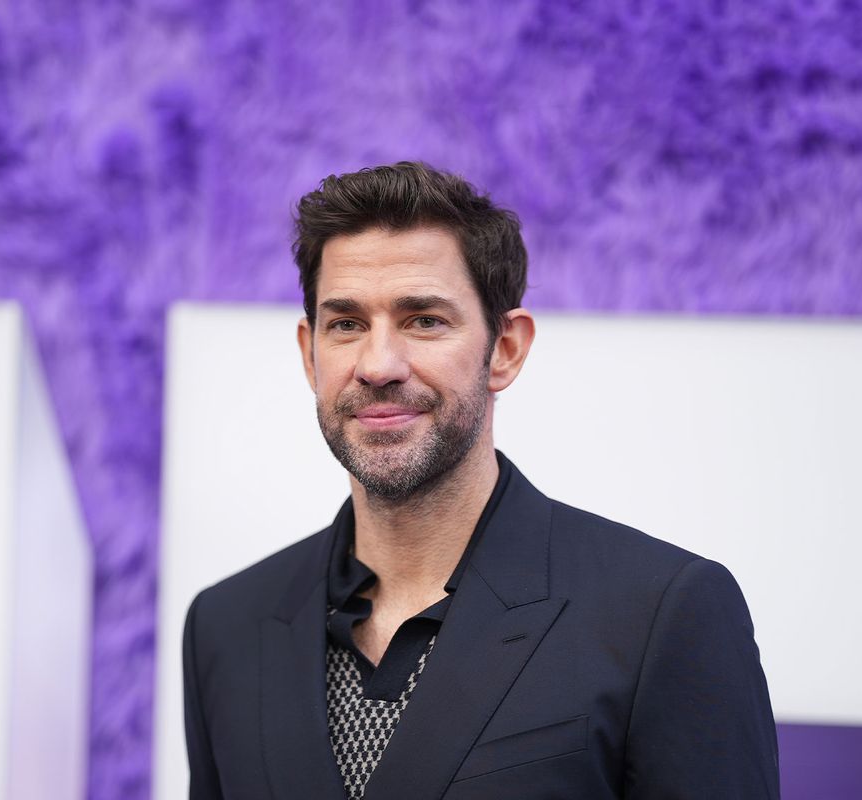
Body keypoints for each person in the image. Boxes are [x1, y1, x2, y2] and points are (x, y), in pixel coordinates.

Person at [182, 162, 779, 799]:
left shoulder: (662, 613)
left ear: (506, 349)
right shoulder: (226, 626)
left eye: (424, 320)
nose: (379, 364)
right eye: (347, 324)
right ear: (310, 353)